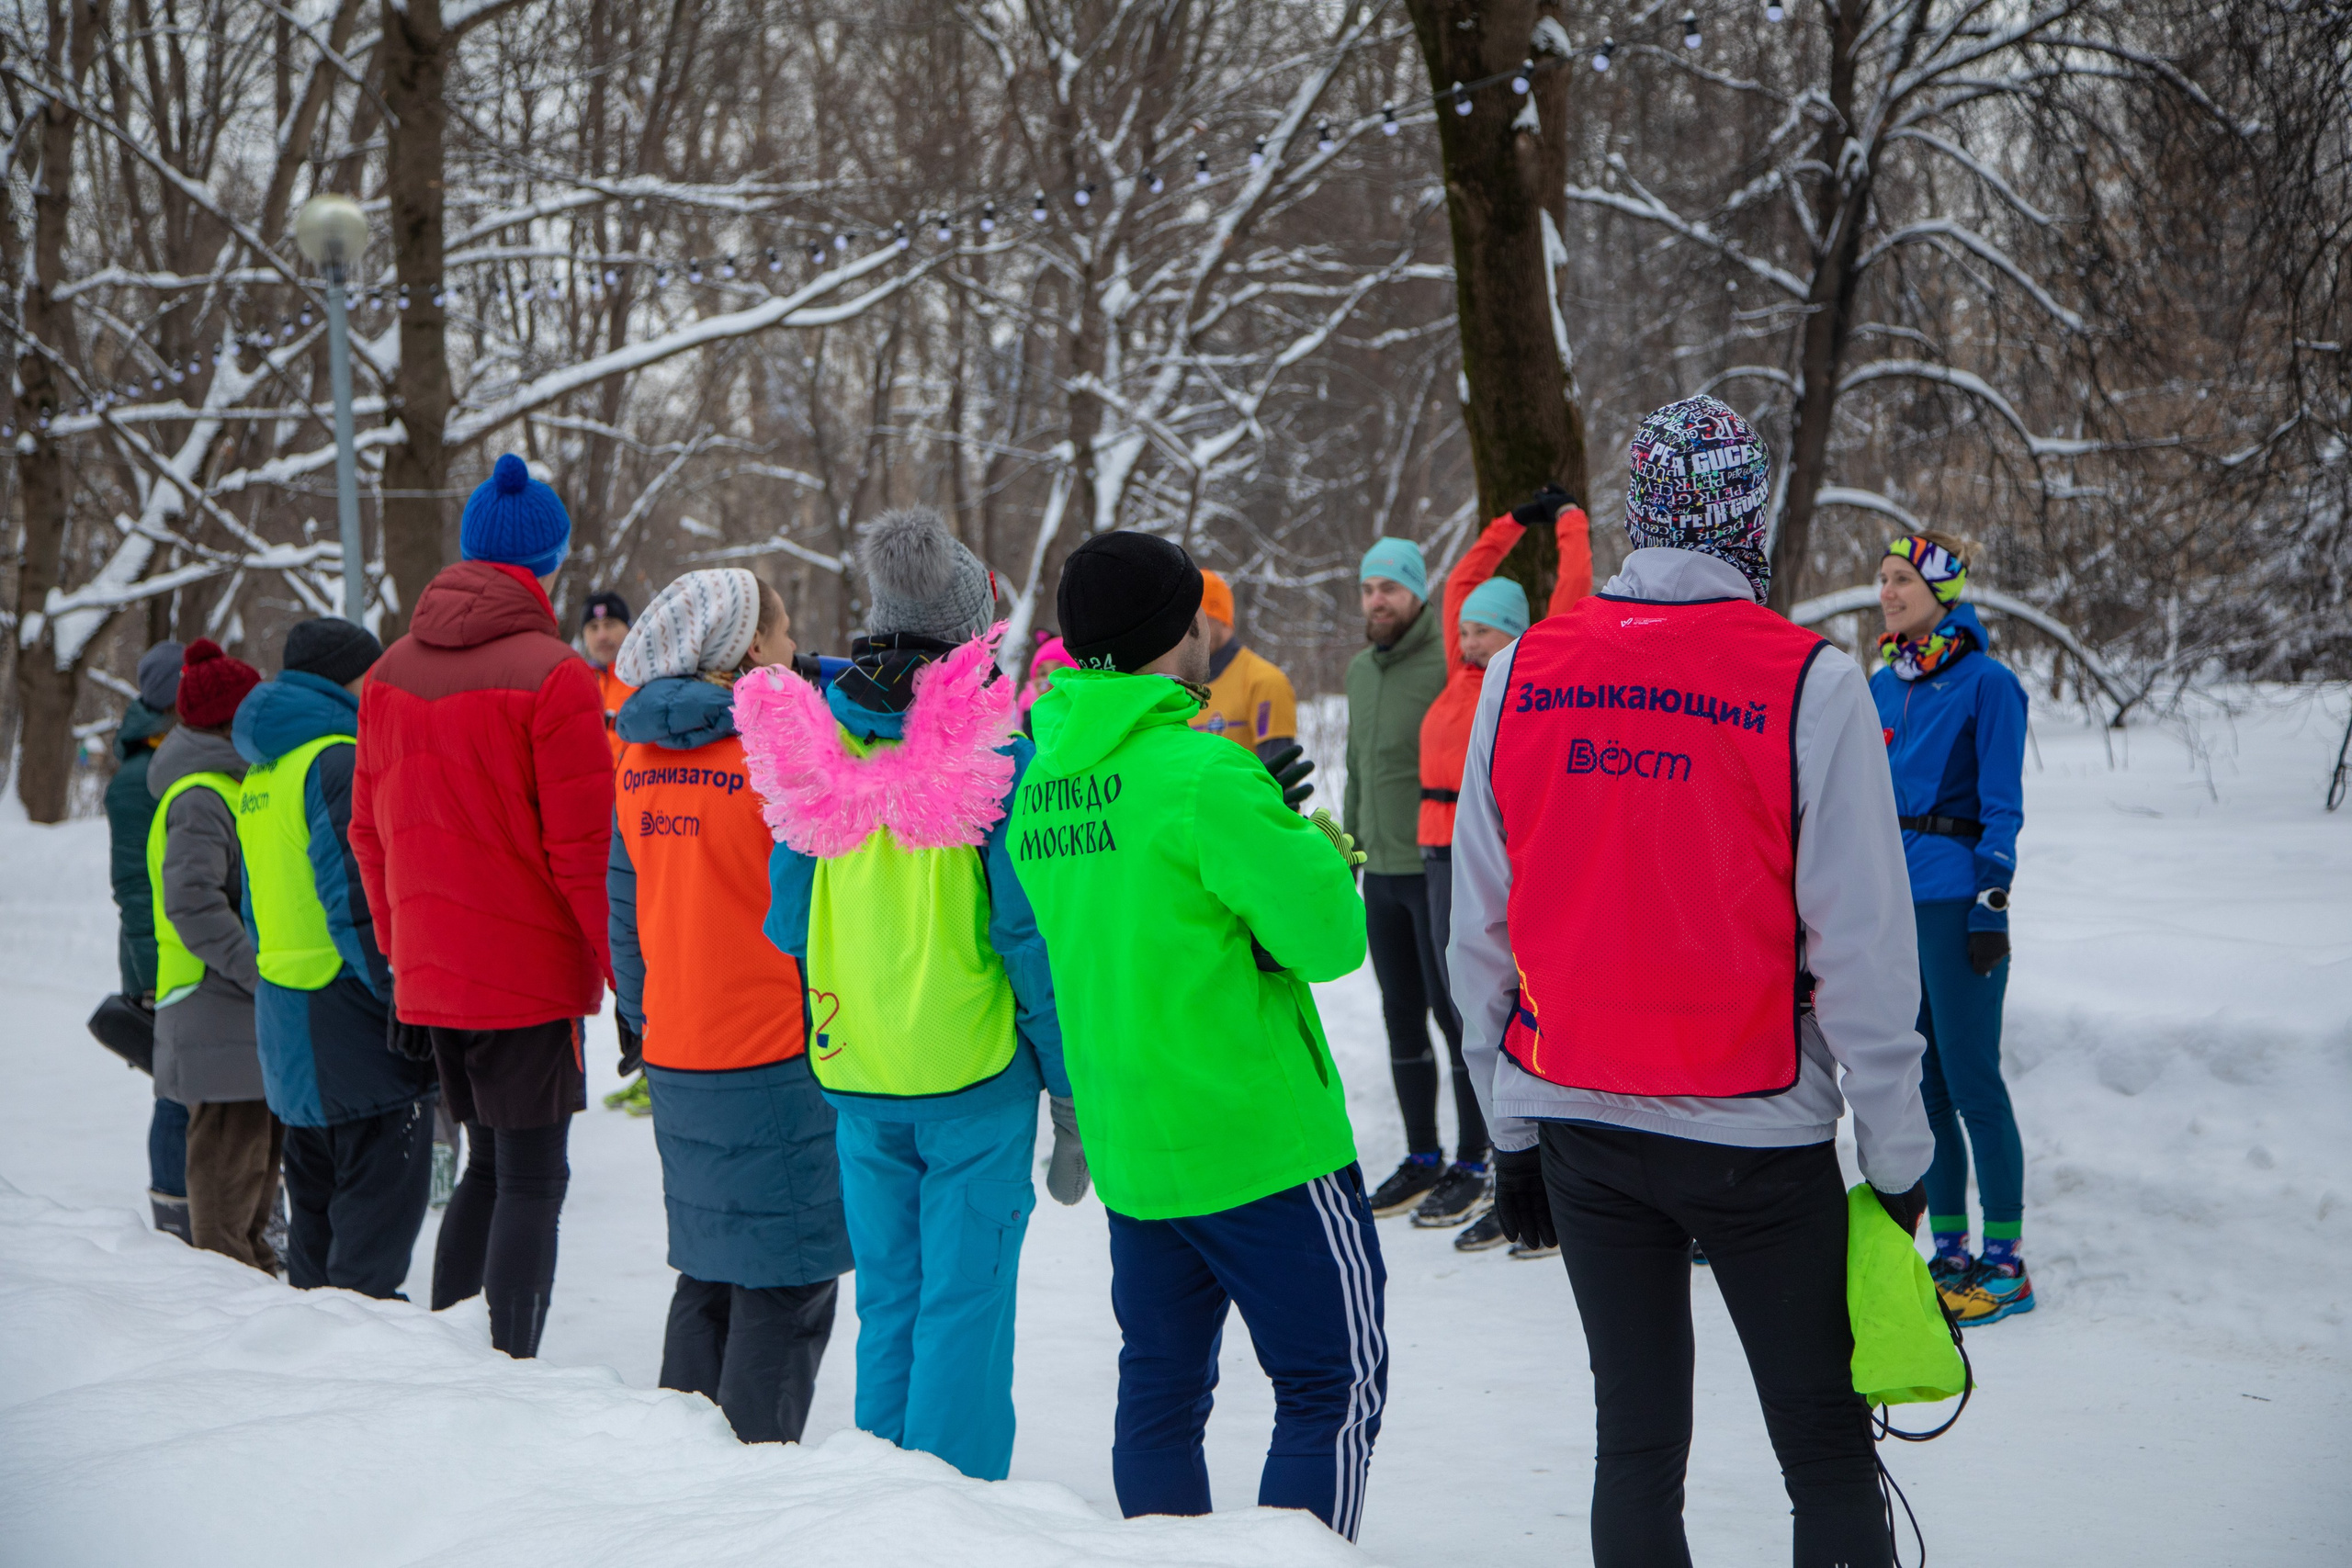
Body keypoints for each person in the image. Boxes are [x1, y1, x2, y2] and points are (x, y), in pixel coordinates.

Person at [1452, 395, 1935, 1568]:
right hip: (1756, 1133)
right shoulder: (1807, 682)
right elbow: (1863, 946)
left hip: (1580, 1123)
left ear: (1636, 517)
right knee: (1823, 1449)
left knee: (1636, 1446)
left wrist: (1504, 1127)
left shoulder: (1522, 673)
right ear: (1747, 522)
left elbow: (1481, 928)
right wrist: (1899, 1154)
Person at [1011, 530, 1384, 1542]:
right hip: (1254, 1139)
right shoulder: (1202, 776)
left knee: (1162, 1394)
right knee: (1329, 1384)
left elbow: (1151, 924)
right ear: (1178, 629)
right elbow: (1326, 937)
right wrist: (1297, 828)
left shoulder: (1041, 781)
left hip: (1136, 1145)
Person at [743, 506, 1073, 1482]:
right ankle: (949, 1516)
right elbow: (1023, 937)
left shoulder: (817, 749)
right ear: (971, 632)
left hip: (858, 1065)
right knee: (963, 1301)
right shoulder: (997, 763)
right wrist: (1066, 1089)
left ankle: (878, 1498)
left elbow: (787, 924)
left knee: (889, 1297)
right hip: (971, 1071)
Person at [351, 453, 616, 1359]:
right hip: (528, 979)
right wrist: (625, 972)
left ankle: (452, 1358)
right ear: (547, 563)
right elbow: (583, 854)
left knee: (486, 1167)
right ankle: (504, 1370)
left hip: (432, 976)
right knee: (534, 1180)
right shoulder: (556, 677)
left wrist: (402, 958)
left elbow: (367, 835)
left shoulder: (385, 675)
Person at [607, 570, 853, 1444]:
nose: (795, 651)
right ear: (752, 648)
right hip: (776, 1052)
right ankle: (746, 1490)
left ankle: (676, 1465)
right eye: (785, 636)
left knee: (709, 1272)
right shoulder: (774, 751)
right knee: (785, 1282)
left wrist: (649, 1016)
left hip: (680, 1047)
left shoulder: (635, 756)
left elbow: (624, 905)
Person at [233, 619, 441, 1299]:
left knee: (317, 1233)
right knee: (371, 1240)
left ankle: (317, 1368)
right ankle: (364, 1371)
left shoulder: (263, 771)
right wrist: (402, 999)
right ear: (347, 679)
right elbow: (355, 902)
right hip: (352, 1022)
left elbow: (255, 909)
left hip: (290, 1023)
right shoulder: (337, 760)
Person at [1419, 491, 1593, 1249]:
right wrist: (1513, 521)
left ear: (1515, 633)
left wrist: (1570, 521)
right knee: (1458, 1013)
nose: (1467, 636)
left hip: (1495, 855)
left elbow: (1573, 590)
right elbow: (1463, 578)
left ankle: (1521, 1164)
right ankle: (1495, 1160)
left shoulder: (1530, 668)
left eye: (1482, 627)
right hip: (1434, 853)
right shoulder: (1459, 675)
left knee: (1501, 1012)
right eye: (1463, 628)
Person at [1871, 532, 2031, 1325]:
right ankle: (1953, 1249)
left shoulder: (1988, 683)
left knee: (1973, 1082)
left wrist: (1990, 903)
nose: (1887, 591)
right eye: (1882, 579)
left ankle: (2006, 1262)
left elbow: (2003, 801)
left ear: (1944, 592)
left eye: (1902, 579)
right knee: (1923, 1084)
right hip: (1892, 905)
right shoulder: (1880, 684)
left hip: (1957, 900)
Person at [149, 638, 282, 1272]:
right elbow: (193, 903)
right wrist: (262, 967)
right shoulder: (202, 795)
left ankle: (255, 1308)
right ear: (233, 720)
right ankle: (232, 1328)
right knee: (227, 1204)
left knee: (253, 1183)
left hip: (232, 1012)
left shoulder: (230, 785)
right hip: (216, 1004)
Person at [1344, 536, 1465, 1219]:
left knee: (1457, 1018)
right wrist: (1349, 859)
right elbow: (1358, 770)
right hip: (1382, 875)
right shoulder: (1362, 670)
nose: (1376, 600)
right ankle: (1424, 1156)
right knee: (1400, 1016)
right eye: (1368, 589)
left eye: (1389, 587)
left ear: (1418, 592)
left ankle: (1478, 1159)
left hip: (1438, 869)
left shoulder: (1449, 662)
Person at [108, 639, 189, 1241]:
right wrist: (154, 977)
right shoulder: (139, 778)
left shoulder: (165, 759)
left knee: (185, 1081)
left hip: (172, 950)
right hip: (160, 958)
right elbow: (136, 888)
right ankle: (173, 1208)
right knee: (176, 1086)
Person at [1188, 570, 1300, 761]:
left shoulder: (1265, 682)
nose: (1186, 633)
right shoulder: (1181, 688)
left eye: (1194, 621)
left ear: (1219, 618)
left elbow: (1278, 780)